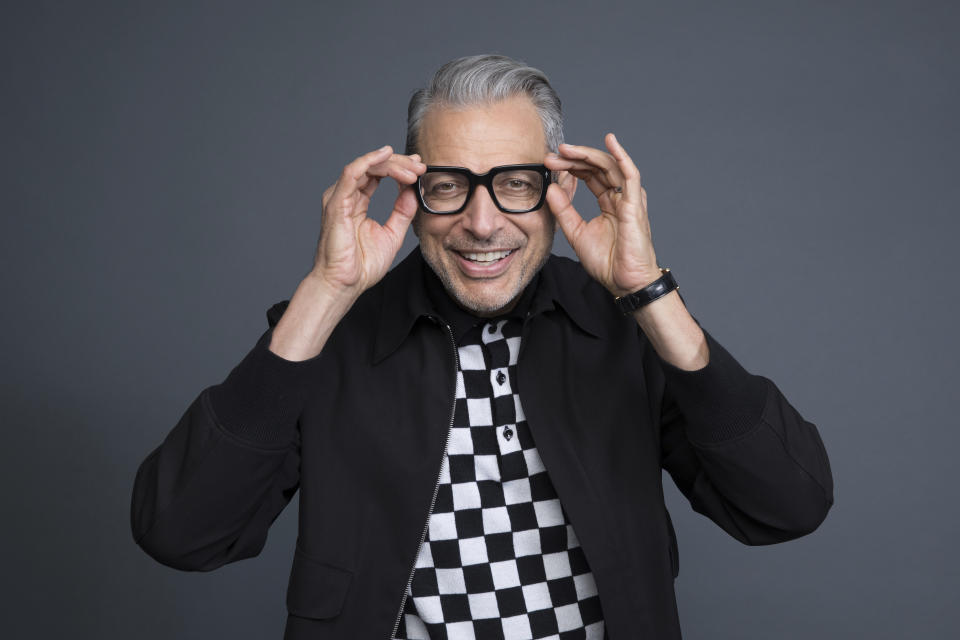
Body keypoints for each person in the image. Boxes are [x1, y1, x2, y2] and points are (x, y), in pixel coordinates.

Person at [130, 54, 833, 640]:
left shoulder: (628, 326)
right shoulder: (331, 335)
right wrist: (325, 290)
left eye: (515, 184)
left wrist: (647, 290)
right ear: (413, 188)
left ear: (557, 188)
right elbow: (181, 532)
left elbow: (787, 505)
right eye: (449, 187)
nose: (483, 222)